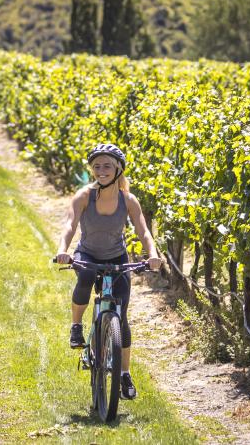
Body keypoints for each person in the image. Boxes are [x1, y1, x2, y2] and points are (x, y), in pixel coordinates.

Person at [53, 143, 162, 401]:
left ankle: (124, 373)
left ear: (118, 169)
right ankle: (77, 326)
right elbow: (69, 225)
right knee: (87, 277)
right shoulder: (83, 196)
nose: (101, 171)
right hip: (87, 254)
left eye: (107, 166)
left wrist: (153, 255)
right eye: (97, 166)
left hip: (117, 257)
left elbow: (143, 231)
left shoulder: (128, 200)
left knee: (121, 316)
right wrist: (62, 250)